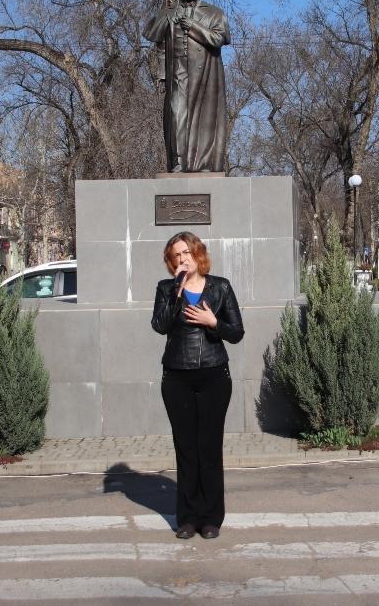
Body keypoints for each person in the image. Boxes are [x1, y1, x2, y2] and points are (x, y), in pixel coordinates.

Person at [151, 231, 244, 539]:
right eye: (176, 255)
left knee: (209, 447)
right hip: (176, 376)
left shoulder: (220, 287)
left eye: (187, 253)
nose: (182, 259)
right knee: (186, 448)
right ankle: (188, 518)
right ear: (170, 260)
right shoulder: (166, 289)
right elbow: (160, 326)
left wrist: (212, 322)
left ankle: (212, 518)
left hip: (214, 375)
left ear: (198, 254)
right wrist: (176, 293)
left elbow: (237, 332)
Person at [143, 0, 231, 173]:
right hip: (178, 71)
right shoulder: (168, 12)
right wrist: (162, 74)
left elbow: (220, 38)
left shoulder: (214, 13)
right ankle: (179, 161)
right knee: (176, 114)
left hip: (206, 72)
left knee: (205, 119)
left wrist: (193, 27)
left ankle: (204, 164)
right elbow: (159, 43)